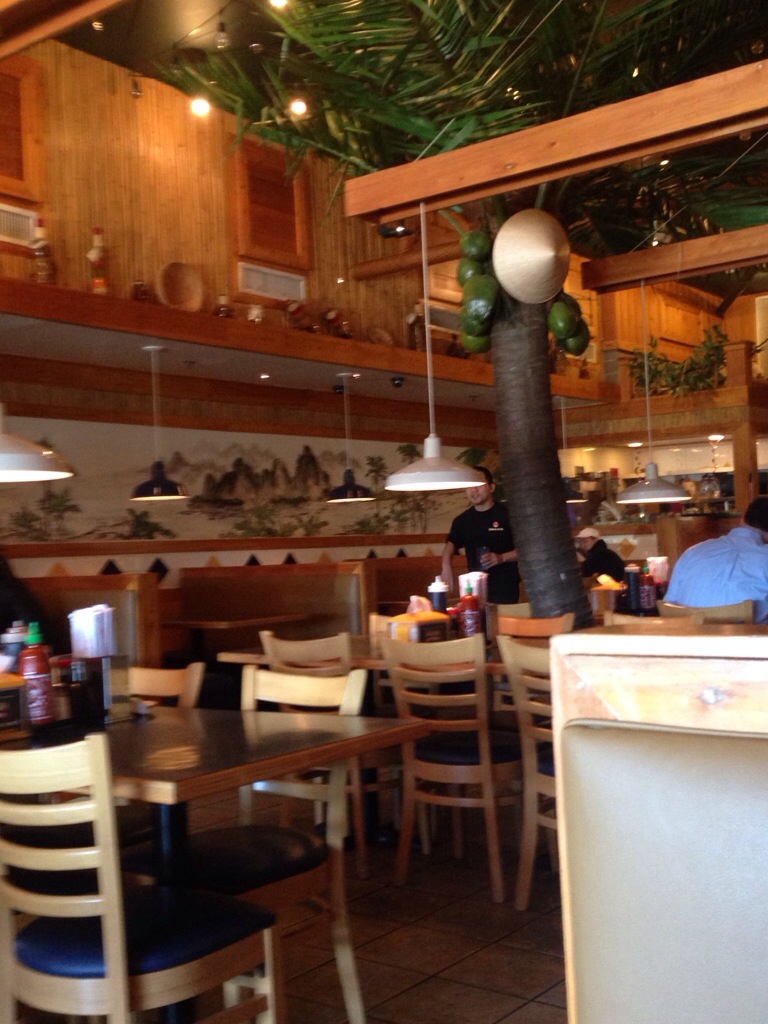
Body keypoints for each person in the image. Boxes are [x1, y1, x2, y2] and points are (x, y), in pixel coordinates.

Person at [664, 497, 768, 622]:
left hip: (687, 633)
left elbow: (669, 604)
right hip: (745, 634)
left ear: (742, 519)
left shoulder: (692, 552)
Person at [441, 466, 520, 603]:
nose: (474, 490)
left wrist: (501, 557)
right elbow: (450, 545)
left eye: (479, 484)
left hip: (506, 586)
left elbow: (527, 550)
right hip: (475, 587)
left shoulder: (508, 515)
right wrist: (446, 566)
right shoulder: (462, 521)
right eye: (470, 485)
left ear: (491, 487)